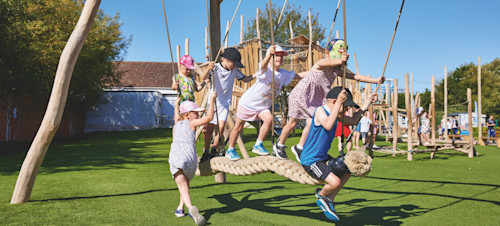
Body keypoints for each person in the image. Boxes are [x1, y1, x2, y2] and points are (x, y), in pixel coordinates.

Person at [274, 39, 384, 160]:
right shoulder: (320, 65)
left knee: (311, 124)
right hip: (300, 95)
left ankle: (299, 147)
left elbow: (356, 77)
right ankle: (279, 145)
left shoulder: (336, 72)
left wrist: (375, 80)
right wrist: (340, 60)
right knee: (293, 122)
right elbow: (324, 63)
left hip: (314, 100)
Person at [300, 87, 377, 221]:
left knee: (348, 169)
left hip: (323, 158)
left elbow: (353, 121)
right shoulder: (320, 110)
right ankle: (322, 195)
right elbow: (328, 125)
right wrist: (338, 106)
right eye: (346, 107)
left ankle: (329, 199)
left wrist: (368, 102)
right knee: (335, 182)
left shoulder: (335, 113)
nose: (347, 110)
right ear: (335, 102)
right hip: (311, 160)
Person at [225, 45, 304, 160]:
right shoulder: (266, 70)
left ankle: (258, 144)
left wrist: (315, 71)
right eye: (276, 56)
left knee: (269, 119)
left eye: (281, 57)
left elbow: (298, 76)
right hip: (248, 103)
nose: (279, 58)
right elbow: (262, 66)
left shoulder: (283, 73)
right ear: (271, 57)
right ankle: (230, 149)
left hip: (262, 106)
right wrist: (268, 56)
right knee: (238, 126)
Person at [169, 92, 217, 226]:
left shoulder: (177, 124)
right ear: (187, 115)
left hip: (177, 156)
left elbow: (207, 117)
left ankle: (191, 209)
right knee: (185, 185)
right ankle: (180, 208)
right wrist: (212, 100)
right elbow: (209, 117)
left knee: (182, 186)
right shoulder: (191, 123)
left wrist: (176, 104)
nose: (197, 114)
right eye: (195, 112)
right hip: (190, 158)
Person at [201, 48, 255, 160]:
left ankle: (214, 149)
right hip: (213, 101)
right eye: (233, 63)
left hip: (225, 103)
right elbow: (203, 78)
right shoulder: (216, 67)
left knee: (221, 128)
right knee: (210, 127)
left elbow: (245, 79)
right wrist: (208, 69)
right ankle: (206, 151)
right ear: (226, 60)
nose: (235, 66)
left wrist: (256, 75)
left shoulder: (234, 70)